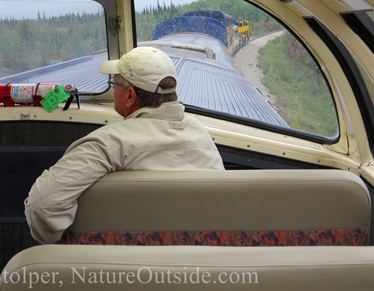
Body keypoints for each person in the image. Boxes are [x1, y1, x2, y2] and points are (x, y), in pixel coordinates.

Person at [24, 46, 225, 244]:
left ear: (130, 96)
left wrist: (62, 242)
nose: (112, 89)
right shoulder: (201, 134)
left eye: (114, 83)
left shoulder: (108, 143)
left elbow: (42, 205)